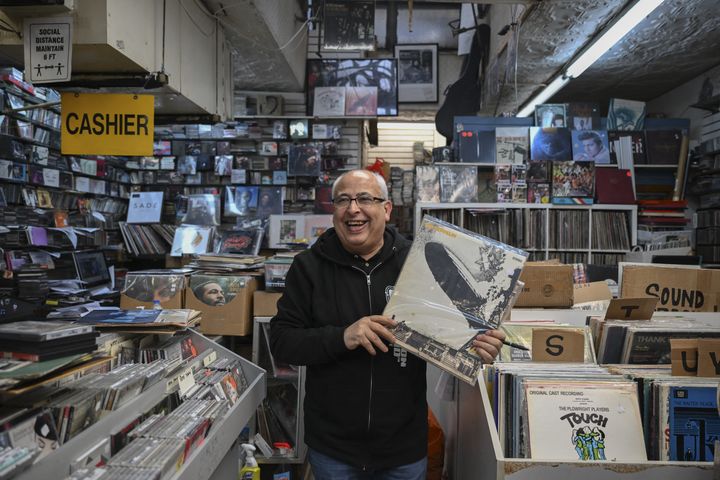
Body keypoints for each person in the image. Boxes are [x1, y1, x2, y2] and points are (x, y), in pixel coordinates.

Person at [270, 169, 506, 479]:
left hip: (403, 449)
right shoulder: (308, 267)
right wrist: (343, 336)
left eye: (365, 198)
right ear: (334, 212)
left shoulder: (418, 262)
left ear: (387, 208)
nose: (353, 209)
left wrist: (480, 345)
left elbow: (454, 330)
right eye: (343, 200)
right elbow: (283, 341)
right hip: (333, 449)